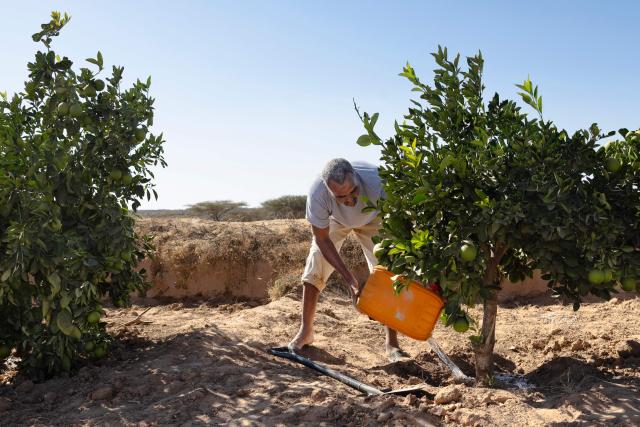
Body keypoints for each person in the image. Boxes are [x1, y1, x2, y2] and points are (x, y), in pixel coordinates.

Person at [288, 158, 409, 362]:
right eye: (341, 196)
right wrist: (351, 281)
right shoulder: (318, 194)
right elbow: (322, 239)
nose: (350, 200)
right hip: (335, 221)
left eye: (353, 191)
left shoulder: (378, 181)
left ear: (357, 178)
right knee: (315, 264)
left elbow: (398, 223)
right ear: (329, 190)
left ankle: (392, 343)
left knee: (388, 270)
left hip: (374, 218)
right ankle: (306, 331)